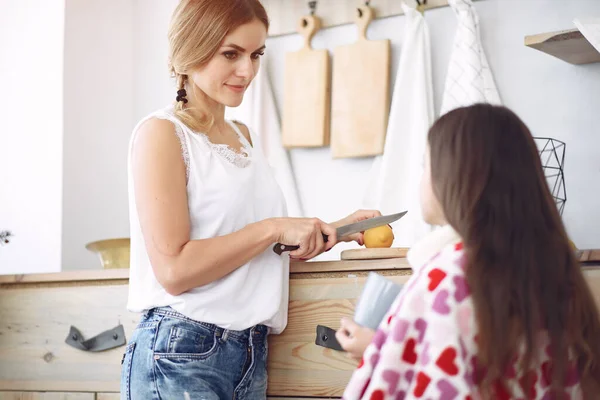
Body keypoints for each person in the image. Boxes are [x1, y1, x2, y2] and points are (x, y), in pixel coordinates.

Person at [119, 0, 381, 398]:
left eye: (256, 54)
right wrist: (273, 228)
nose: (248, 71)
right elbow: (173, 270)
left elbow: (248, 252)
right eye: (231, 54)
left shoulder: (245, 137)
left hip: (249, 353)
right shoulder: (162, 134)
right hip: (181, 352)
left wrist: (334, 231)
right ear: (190, 48)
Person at [336, 104, 600, 399]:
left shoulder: (449, 276)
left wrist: (382, 355)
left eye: (426, 165)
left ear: (454, 176)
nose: (422, 178)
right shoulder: (554, 270)